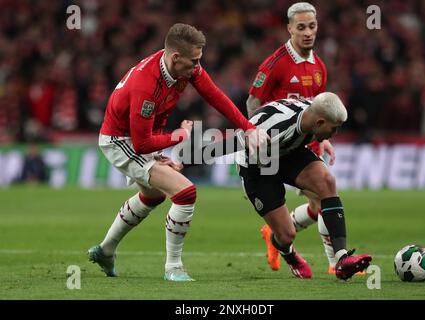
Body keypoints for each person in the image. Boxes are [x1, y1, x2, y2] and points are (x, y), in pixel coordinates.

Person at [88, 23, 269, 281]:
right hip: (120, 140)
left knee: (152, 196)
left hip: (140, 136)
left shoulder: (184, 69)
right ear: (176, 57)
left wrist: (248, 128)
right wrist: (179, 136)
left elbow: (215, 96)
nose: (198, 66)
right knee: (185, 192)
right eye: (194, 61)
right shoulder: (145, 85)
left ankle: (105, 250)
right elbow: (140, 145)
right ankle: (173, 267)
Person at [237, 92, 372, 280]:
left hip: (289, 153)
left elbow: (320, 117)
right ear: (319, 123)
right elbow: (223, 146)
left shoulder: (313, 115)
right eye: (334, 129)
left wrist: (323, 140)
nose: (335, 134)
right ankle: (289, 254)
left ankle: (342, 258)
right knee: (285, 236)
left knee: (327, 182)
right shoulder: (277, 128)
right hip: (258, 167)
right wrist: (185, 160)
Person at [246, 2, 338, 276]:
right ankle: (335, 262)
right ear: (289, 29)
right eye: (301, 27)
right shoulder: (275, 64)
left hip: (306, 146)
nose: (307, 32)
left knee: (319, 202)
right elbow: (253, 103)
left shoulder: (319, 66)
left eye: (311, 26)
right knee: (324, 201)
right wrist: (259, 135)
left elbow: (318, 110)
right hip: (279, 148)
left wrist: (323, 139)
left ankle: (275, 233)